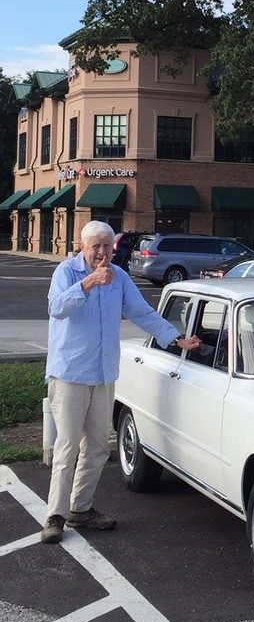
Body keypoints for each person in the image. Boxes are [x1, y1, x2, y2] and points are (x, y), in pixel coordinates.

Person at [41, 220, 202, 544]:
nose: (101, 252)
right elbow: (56, 308)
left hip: (102, 375)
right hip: (70, 374)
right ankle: (54, 517)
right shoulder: (67, 274)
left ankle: (81, 509)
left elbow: (142, 312)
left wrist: (175, 338)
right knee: (67, 448)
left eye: (106, 245)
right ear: (82, 246)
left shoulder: (120, 278)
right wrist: (88, 283)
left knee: (99, 447)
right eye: (95, 246)